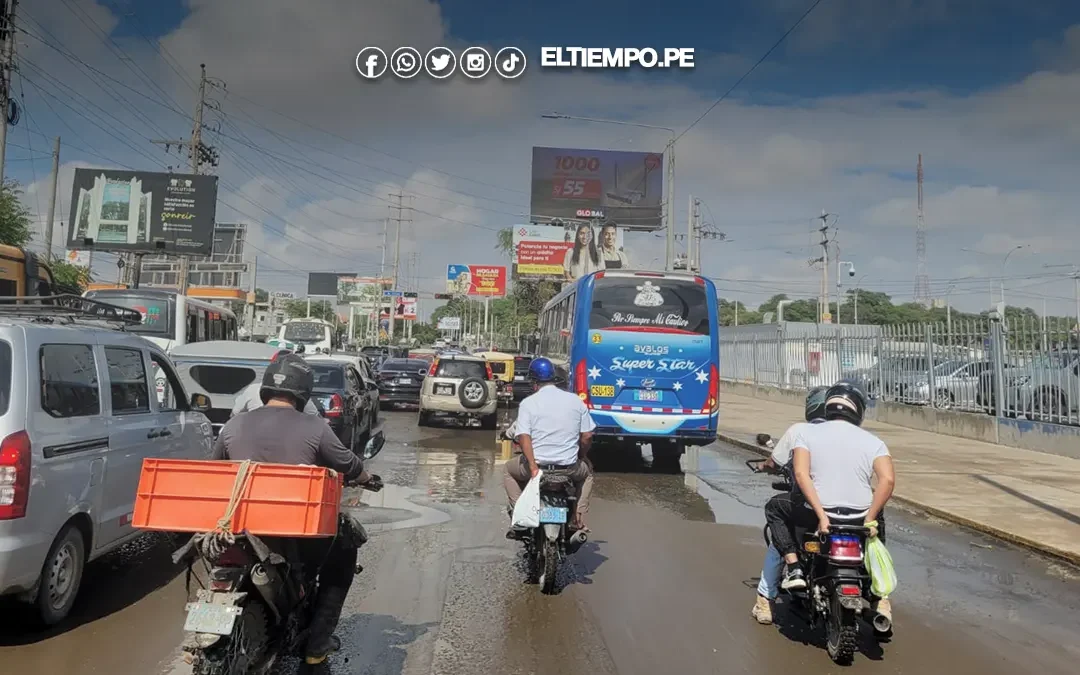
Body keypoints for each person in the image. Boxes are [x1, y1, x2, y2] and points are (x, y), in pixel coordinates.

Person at [212, 353, 379, 671]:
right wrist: (367, 478)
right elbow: (348, 464)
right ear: (304, 391)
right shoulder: (315, 428)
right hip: (294, 530)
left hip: (238, 527)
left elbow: (215, 468)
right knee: (343, 553)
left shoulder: (234, 424)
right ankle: (316, 647)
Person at [763, 380, 896, 624]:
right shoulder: (874, 441)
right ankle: (880, 597)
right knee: (880, 519)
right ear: (859, 411)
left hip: (816, 516)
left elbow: (802, 475)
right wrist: (869, 518)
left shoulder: (805, 432)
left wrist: (822, 516)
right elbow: (887, 480)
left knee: (774, 508)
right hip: (858, 519)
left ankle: (793, 566)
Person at [750, 386, 828, 625]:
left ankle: (767, 597)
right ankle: (881, 600)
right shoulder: (855, 434)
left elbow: (776, 462)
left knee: (779, 533)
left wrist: (763, 467)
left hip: (810, 509)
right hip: (852, 511)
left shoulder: (800, 431)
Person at [503, 357, 595, 535]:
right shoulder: (575, 401)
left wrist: (532, 466)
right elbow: (587, 435)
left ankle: (519, 514)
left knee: (508, 470)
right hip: (568, 469)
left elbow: (523, 436)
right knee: (588, 473)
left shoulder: (529, 403)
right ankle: (578, 517)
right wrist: (581, 457)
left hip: (537, 470)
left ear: (534, 382)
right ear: (554, 378)